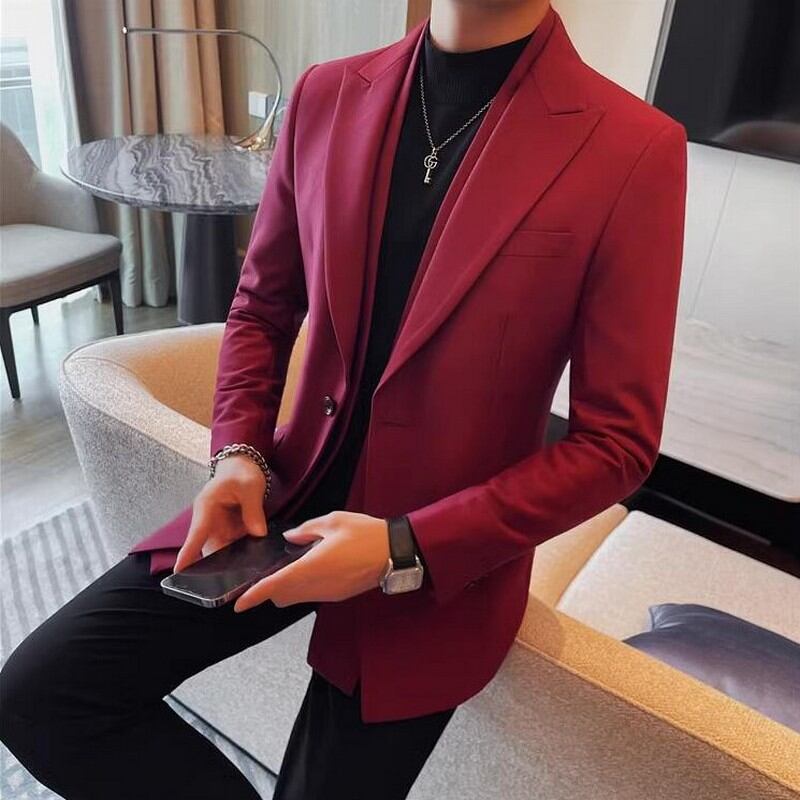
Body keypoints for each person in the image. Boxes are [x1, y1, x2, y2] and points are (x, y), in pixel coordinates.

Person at [0, 1, 688, 798]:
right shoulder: (326, 95)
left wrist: (405, 546)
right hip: (284, 500)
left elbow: (616, 444)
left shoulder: (632, 147)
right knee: (41, 698)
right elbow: (262, 307)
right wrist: (237, 452)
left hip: (432, 558)